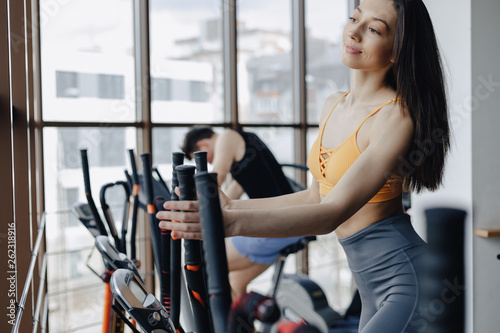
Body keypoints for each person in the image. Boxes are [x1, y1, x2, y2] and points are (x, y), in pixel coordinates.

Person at [159, 0, 450, 331]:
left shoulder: (395, 116)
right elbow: (317, 196)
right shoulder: (333, 104)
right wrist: (234, 209)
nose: (353, 31)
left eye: (372, 29)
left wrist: (232, 224)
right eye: (354, 18)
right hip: (372, 289)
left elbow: (331, 214)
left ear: (398, 50)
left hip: (408, 282)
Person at [181, 126, 304, 298]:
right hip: (293, 224)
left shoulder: (227, 137)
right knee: (236, 284)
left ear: (202, 145)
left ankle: (215, 324)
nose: (208, 162)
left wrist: (190, 202)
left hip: (275, 225)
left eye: (201, 157)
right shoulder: (244, 142)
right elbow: (230, 196)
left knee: (201, 265)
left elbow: (217, 177)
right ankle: (242, 325)